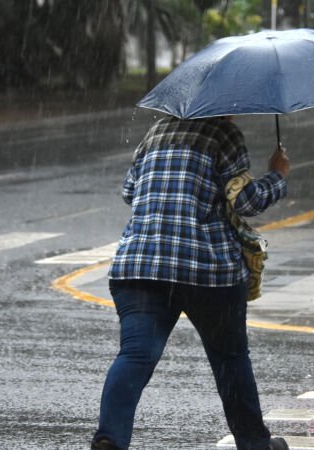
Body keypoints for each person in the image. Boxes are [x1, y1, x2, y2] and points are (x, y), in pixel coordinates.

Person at [91, 115, 291, 450]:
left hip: (140, 265)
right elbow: (246, 202)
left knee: (136, 355)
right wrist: (278, 175)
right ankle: (255, 445)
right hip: (206, 270)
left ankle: (109, 438)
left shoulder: (156, 132)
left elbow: (130, 191)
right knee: (230, 359)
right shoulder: (224, 135)